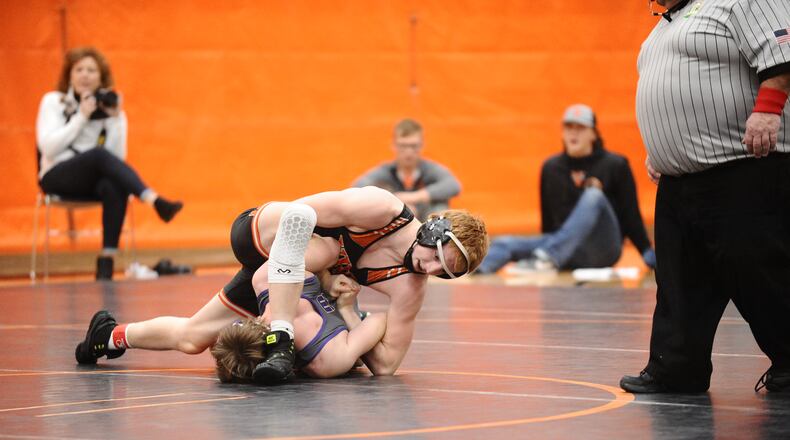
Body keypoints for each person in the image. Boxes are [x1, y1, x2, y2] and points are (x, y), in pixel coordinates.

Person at [75, 187, 488, 384]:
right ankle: (283, 335)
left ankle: (109, 337)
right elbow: (298, 215)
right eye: (438, 256)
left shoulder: (410, 288)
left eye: (445, 273)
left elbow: (386, 364)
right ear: (435, 228)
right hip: (262, 232)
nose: (430, 268)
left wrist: (347, 309)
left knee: (192, 338)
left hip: (279, 278)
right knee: (325, 249)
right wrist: (326, 279)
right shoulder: (381, 208)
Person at [620, 0, 790, 394]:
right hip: (681, 180)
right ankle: (677, 369)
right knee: (679, 281)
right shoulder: (663, 27)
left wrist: (768, 110)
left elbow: (781, 51)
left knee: (760, 270)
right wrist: (663, 147)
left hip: (745, 166)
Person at [36, 47, 183, 280]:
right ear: (70, 75)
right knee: (97, 155)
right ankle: (152, 199)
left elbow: (116, 159)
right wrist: (81, 117)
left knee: (114, 184)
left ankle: (106, 261)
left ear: (102, 78)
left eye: (92, 70)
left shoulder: (110, 109)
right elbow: (48, 147)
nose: (85, 75)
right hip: (56, 175)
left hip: (91, 180)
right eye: (79, 69)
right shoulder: (55, 101)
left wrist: (115, 119)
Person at [476, 104, 655, 274]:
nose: (573, 133)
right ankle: (476, 270)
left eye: (580, 128)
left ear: (593, 133)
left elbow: (631, 214)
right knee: (504, 243)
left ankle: (548, 259)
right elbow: (548, 221)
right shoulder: (551, 168)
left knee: (593, 196)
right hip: (566, 250)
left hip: (603, 249)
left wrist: (646, 250)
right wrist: (548, 244)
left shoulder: (615, 165)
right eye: (569, 127)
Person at [211, 272, 386, 381]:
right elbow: (380, 320)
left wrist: (326, 277)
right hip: (332, 321)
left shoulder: (266, 279)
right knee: (381, 364)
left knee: (376, 363)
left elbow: (379, 321)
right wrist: (346, 308)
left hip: (325, 262)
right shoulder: (266, 279)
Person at [352, 118, 461, 221]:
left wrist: (413, 197)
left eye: (414, 146)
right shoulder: (386, 171)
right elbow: (358, 185)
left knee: (440, 207)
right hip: (395, 224)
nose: (408, 151)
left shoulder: (430, 169)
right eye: (403, 146)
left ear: (422, 146)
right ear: (394, 146)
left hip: (427, 222)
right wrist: (397, 202)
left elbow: (453, 185)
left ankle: (438, 239)